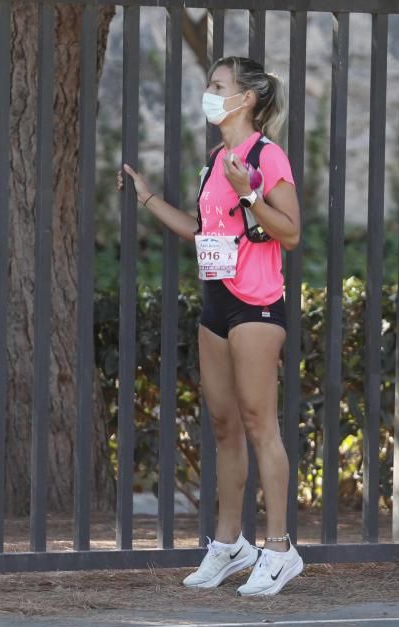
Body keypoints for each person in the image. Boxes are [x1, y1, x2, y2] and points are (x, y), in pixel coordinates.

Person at [117, 56, 303, 596]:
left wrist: (249, 192)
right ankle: (229, 545)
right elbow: (203, 231)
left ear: (246, 99)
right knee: (223, 425)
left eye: (219, 86)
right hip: (216, 303)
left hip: (258, 306)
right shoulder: (215, 161)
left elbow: (289, 233)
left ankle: (278, 549)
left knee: (257, 422)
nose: (210, 94)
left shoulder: (266, 157)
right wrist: (147, 194)